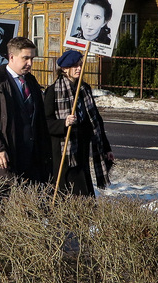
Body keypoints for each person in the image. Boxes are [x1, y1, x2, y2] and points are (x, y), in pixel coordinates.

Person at [0, 36, 52, 183]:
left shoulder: (32, 83)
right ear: (12, 57)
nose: (30, 63)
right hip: (4, 160)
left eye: (32, 58)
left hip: (30, 162)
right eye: (25, 58)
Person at [43, 50, 114, 196]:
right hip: (63, 153)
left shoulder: (84, 89)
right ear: (64, 69)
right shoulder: (53, 91)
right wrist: (63, 123)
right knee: (69, 193)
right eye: (75, 66)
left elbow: (96, 120)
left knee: (85, 193)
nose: (79, 68)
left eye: (80, 65)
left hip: (82, 149)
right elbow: (45, 122)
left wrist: (106, 148)